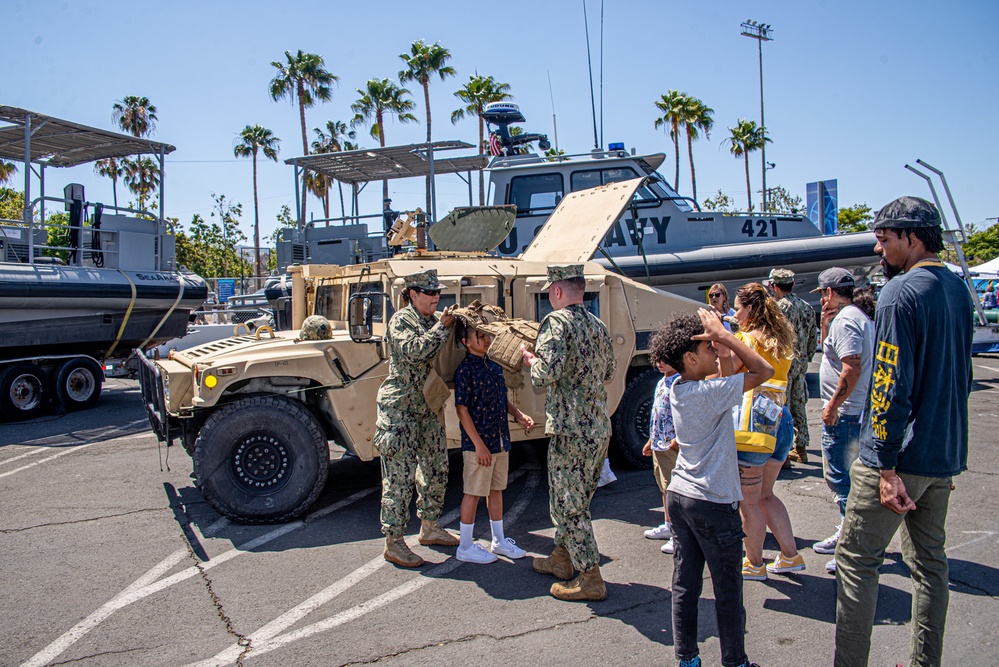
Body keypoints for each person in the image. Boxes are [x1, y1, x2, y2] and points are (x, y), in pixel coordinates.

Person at [835, 196, 974, 667]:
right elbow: (962, 378)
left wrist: (886, 465)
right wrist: (947, 456)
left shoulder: (900, 292)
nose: (878, 249)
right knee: (930, 565)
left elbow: (889, 386)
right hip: (941, 454)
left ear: (912, 238)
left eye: (884, 238)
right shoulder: (957, 288)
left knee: (857, 562)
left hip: (898, 461)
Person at [660, 308, 772, 667]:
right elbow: (763, 371)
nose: (714, 351)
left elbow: (726, 378)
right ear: (691, 358)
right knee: (727, 591)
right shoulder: (710, 394)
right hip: (713, 501)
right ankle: (735, 662)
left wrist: (720, 348)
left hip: (681, 495)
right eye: (707, 348)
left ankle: (687, 659)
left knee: (685, 584)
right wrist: (724, 334)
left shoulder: (680, 386)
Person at [521, 264, 616, 602]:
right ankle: (563, 559)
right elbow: (608, 371)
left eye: (550, 291)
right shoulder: (598, 325)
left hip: (569, 429)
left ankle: (590, 576)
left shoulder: (556, 323)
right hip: (597, 426)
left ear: (558, 291)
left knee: (567, 504)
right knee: (576, 499)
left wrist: (531, 361)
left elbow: (543, 376)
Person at [375, 269, 460, 568]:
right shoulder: (402, 320)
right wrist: (441, 328)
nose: (436, 297)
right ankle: (394, 542)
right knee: (399, 478)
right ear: (412, 294)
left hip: (426, 408)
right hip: (400, 412)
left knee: (437, 468)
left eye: (438, 292)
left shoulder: (430, 321)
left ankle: (430, 526)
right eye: (430, 292)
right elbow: (414, 351)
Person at [725, 283, 804, 581]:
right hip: (781, 420)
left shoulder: (746, 340)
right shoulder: (779, 340)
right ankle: (789, 554)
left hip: (752, 427)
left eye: (738, 308)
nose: (735, 313)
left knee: (748, 503)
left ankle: (754, 563)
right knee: (765, 495)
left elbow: (725, 373)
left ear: (750, 310)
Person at [452, 316, 536, 564]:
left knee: (496, 489)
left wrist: (519, 415)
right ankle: (465, 546)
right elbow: (462, 410)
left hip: (499, 440)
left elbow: (502, 398)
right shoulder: (465, 370)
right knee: (473, 493)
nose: (486, 340)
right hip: (479, 444)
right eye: (480, 336)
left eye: (487, 335)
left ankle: (498, 540)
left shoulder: (494, 365)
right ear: (466, 342)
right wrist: (478, 445)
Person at [810, 267, 874, 573]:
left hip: (846, 414)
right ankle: (847, 534)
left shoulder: (847, 320)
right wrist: (825, 324)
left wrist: (834, 405)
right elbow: (835, 356)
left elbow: (852, 367)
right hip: (852, 412)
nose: (821, 299)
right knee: (845, 480)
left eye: (822, 293)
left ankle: (852, 547)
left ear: (829, 292)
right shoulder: (851, 317)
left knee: (844, 481)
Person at [766, 268, 818, 465]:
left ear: (774, 286)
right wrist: (806, 358)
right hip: (801, 364)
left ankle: (783, 453)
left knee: (781, 409)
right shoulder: (807, 307)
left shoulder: (778, 308)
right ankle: (801, 447)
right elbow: (813, 337)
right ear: (793, 284)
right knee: (799, 405)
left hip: (783, 364)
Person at [641, 324, 680, 554]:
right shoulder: (661, 381)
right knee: (664, 488)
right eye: (658, 357)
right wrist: (650, 439)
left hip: (670, 444)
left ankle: (678, 533)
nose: (661, 362)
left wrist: (676, 440)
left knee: (673, 490)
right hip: (658, 443)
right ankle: (668, 525)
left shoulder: (678, 382)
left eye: (667, 358)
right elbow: (658, 413)